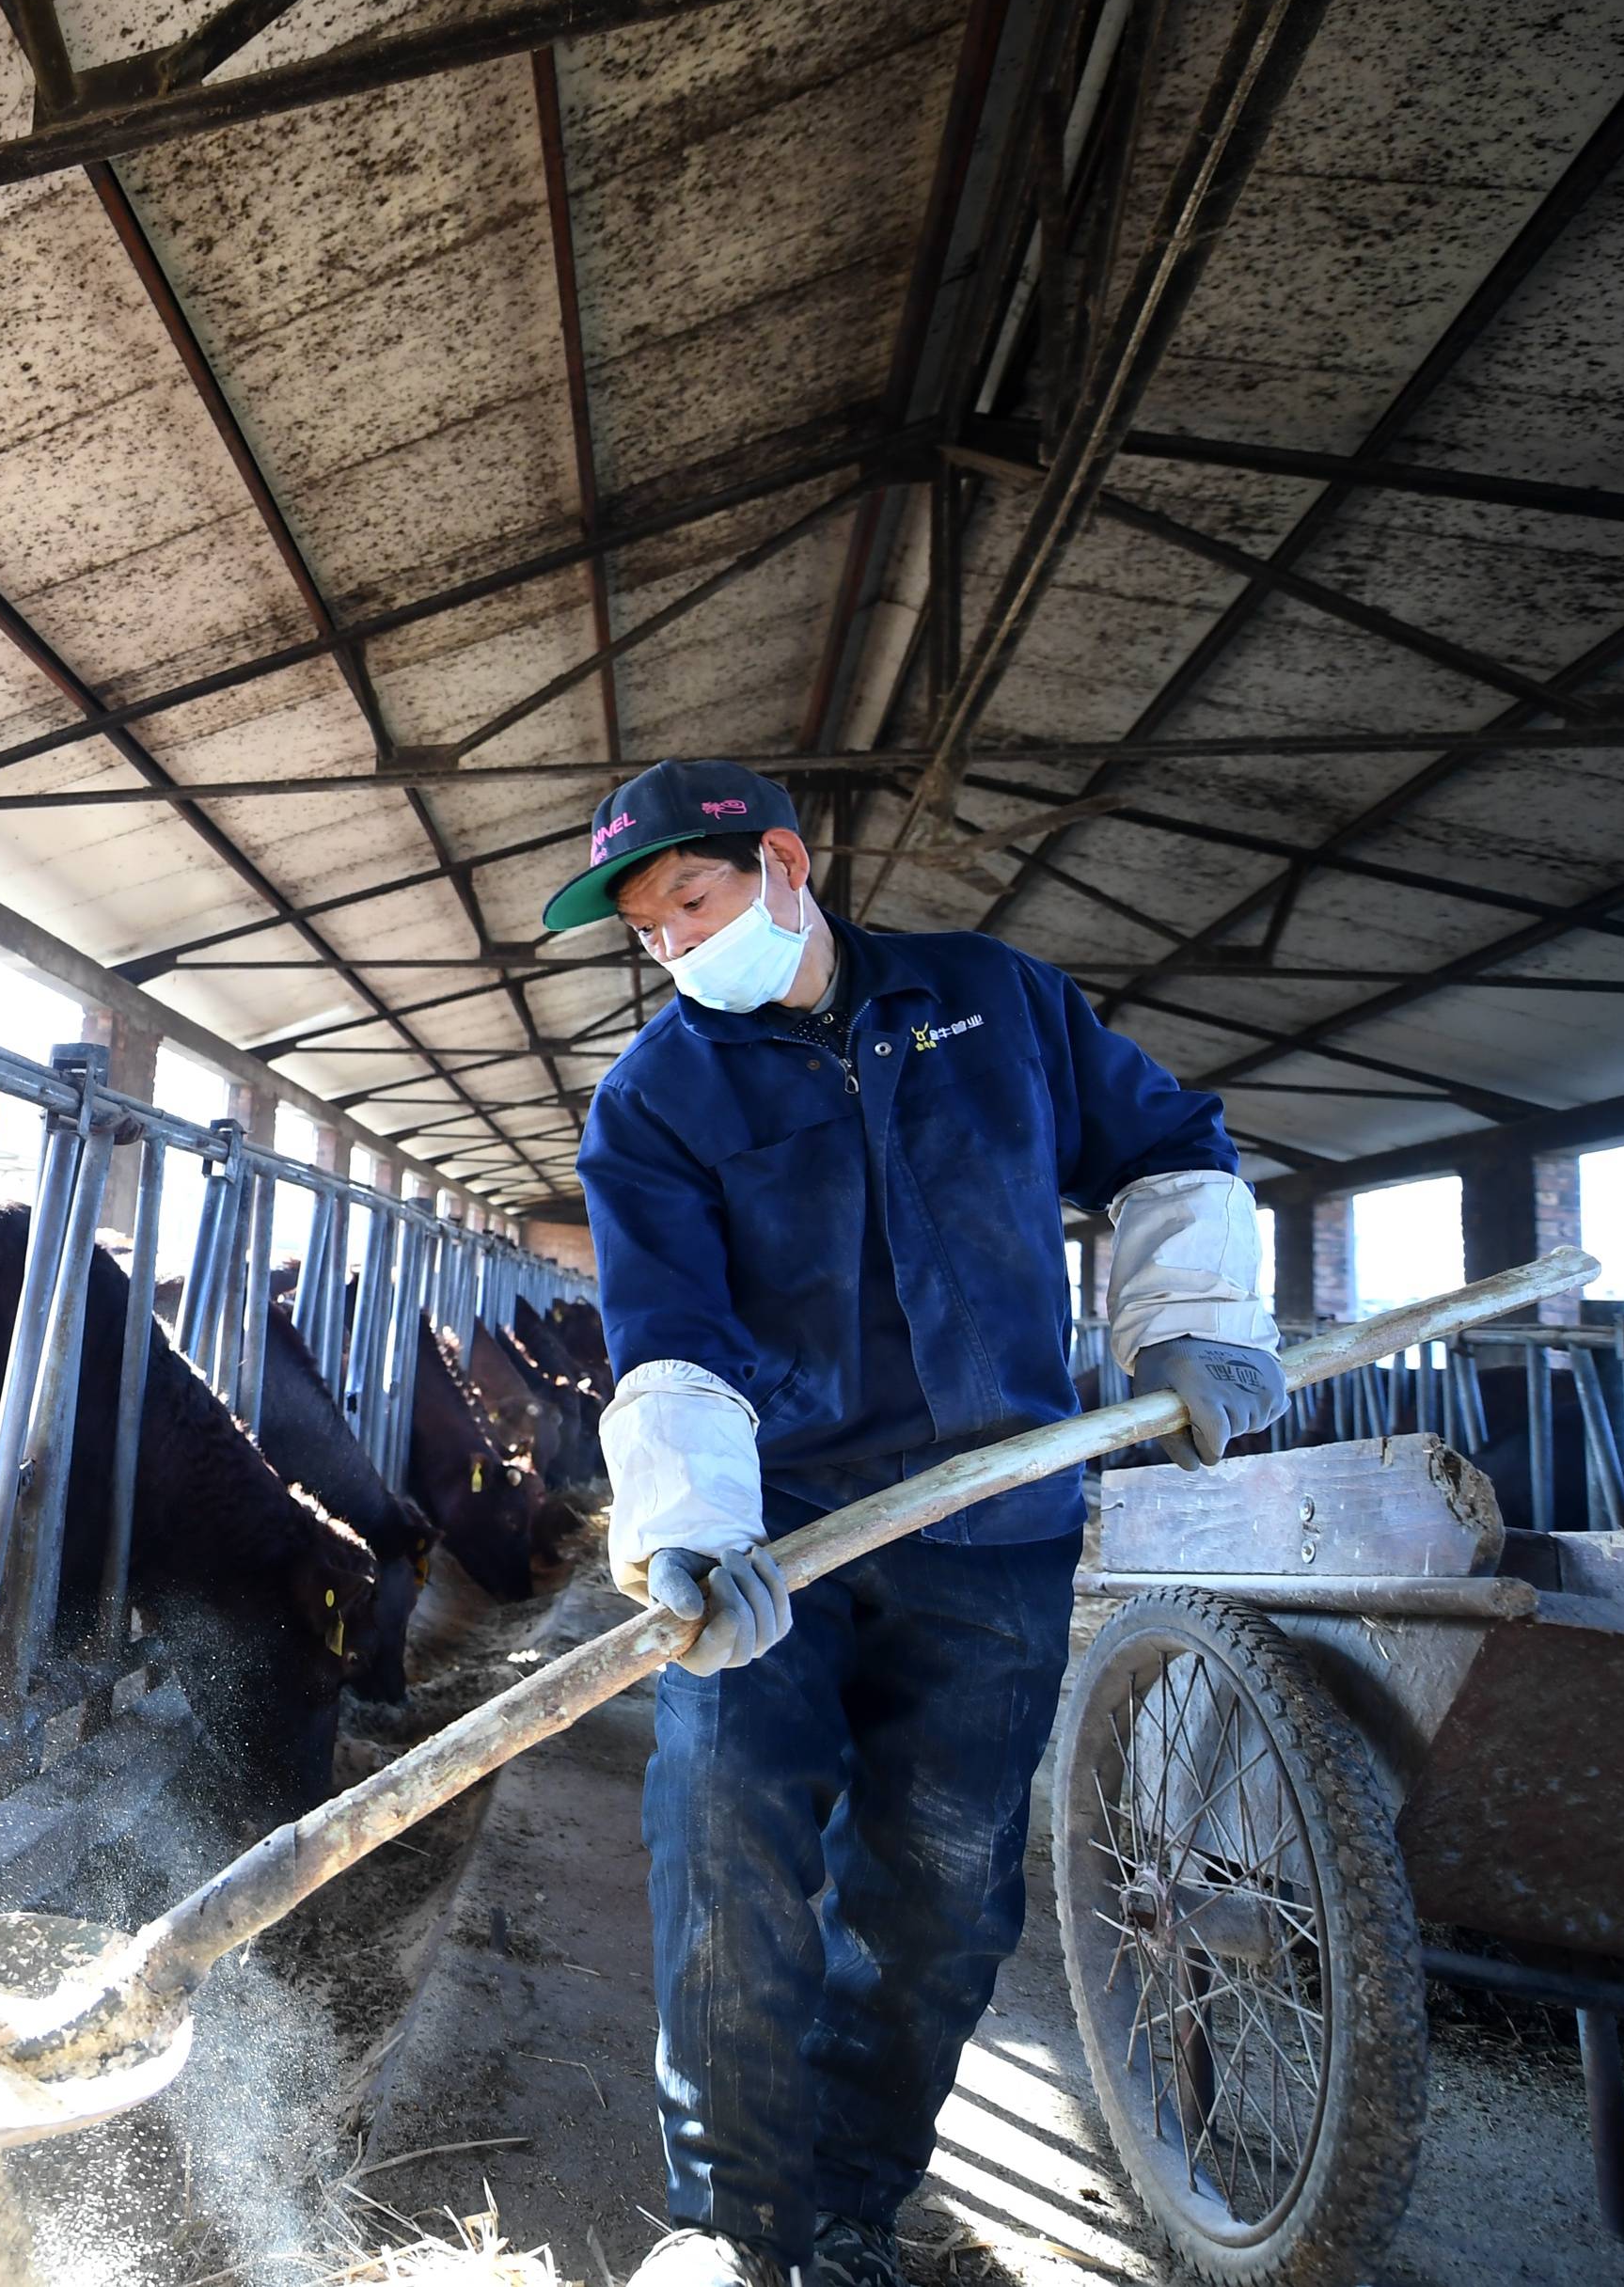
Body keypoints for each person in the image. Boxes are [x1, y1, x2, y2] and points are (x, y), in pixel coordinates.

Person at [548, 760, 1285, 2287]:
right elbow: (669, 1333)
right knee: (726, 1842)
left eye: (689, 901)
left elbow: (1166, 1141)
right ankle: (737, 2231)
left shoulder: (996, 1002)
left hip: (998, 1525)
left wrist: (1192, 1326)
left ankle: (848, 2212)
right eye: (646, 930)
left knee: (941, 1897)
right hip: (784, 1539)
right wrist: (686, 1530)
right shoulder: (654, 1102)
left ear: (782, 865)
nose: (674, 945)